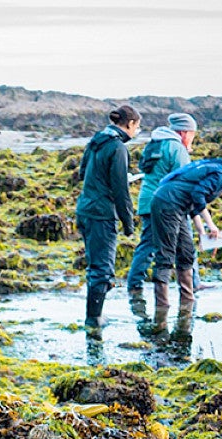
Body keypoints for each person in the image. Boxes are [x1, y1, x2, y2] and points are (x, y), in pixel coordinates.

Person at [149, 154, 222, 328]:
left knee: (187, 253)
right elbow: (198, 195)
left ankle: (187, 302)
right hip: (167, 203)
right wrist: (211, 225)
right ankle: (162, 308)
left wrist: (202, 232)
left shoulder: (220, 170)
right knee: (166, 256)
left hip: (179, 206)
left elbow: (192, 201)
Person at [75, 104, 141, 331]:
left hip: (85, 208)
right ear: (130, 124)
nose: (136, 132)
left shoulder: (96, 140)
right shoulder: (118, 148)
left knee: (95, 266)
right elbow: (121, 189)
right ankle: (94, 320)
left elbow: (82, 173)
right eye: (137, 127)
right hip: (102, 214)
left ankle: (93, 316)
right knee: (102, 270)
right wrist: (128, 222)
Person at [127, 113, 198, 307]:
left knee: (148, 244)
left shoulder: (154, 143)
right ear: (184, 132)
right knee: (185, 243)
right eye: (192, 133)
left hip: (146, 200)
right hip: (168, 205)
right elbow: (186, 181)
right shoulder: (177, 149)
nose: (193, 138)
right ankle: (194, 285)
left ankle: (134, 284)